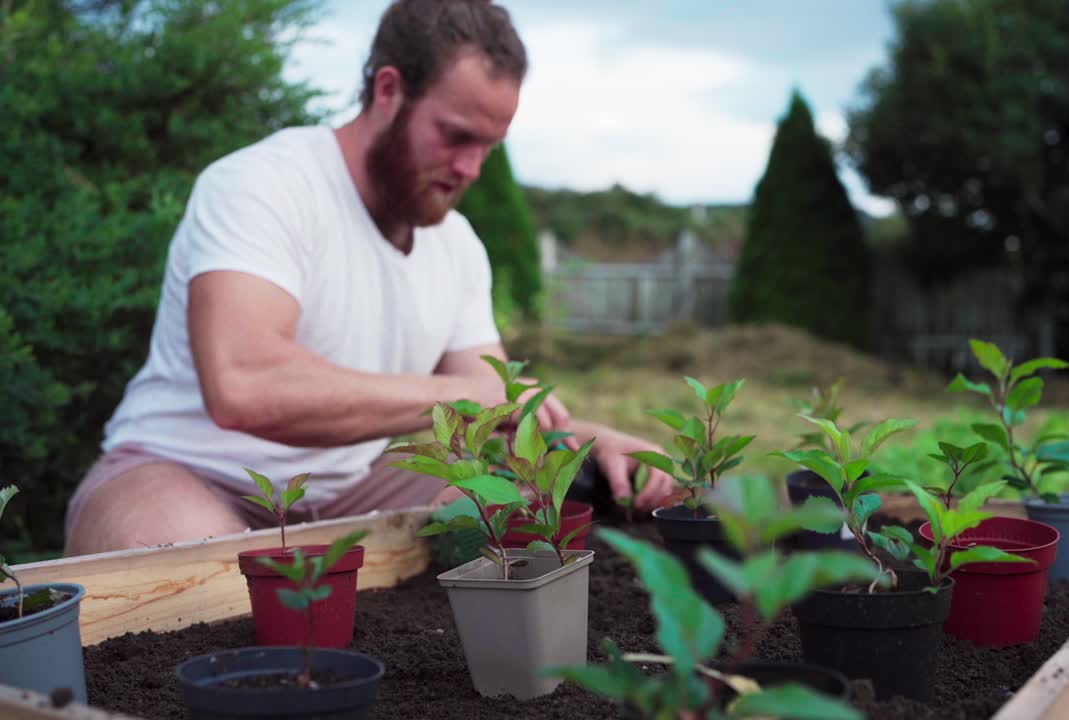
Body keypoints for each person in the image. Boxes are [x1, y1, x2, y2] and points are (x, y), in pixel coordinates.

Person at [62, 0, 674, 556]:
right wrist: (469, 397)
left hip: (357, 485)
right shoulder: (264, 185)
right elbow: (244, 386)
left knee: (525, 511)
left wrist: (591, 440)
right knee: (186, 568)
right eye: (457, 136)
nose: (472, 168)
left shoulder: (457, 245)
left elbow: (494, 406)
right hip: (187, 472)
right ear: (388, 89)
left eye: (489, 146)